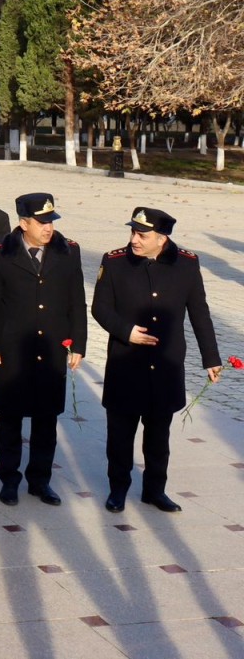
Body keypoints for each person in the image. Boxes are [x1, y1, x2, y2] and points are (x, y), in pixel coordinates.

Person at [92, 207, 222, 514]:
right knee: (120, 436)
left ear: (162, 237)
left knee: (158, 438)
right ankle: (118, 490)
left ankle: (154, 491)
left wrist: (211, 357)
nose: (134, 239)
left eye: (142, 234)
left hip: (165, 366)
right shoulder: (114, 261)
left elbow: (199, 313)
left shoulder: (187, 264)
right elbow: (100, 308)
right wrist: (126, 332)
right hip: (126, 363)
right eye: (133, 232)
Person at [0, 193, 86, 507]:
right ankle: (9, 479)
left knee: (46, 421)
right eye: (41, 222)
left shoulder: (68, 252)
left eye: (51, 221)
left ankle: (41, 481)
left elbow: (76, 300)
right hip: (12, 350)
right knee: (9, 419)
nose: (48, 228)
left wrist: (78, 343)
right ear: (23, 223)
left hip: (51, 349)